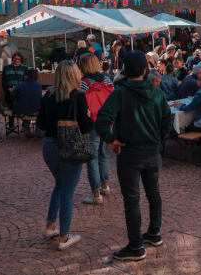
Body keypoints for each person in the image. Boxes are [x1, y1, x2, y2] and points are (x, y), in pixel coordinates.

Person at [95, 50, 172, 261]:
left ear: (125, 70)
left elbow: (101, 120)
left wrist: (111, 140)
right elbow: (167, 122)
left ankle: (136, 245)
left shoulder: (121, 92)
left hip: (130, 153)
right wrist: (157, 139)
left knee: (133, 199)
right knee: (153, 193)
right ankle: (154, 233)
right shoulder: (157, 92)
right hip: (151, 151)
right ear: (146, 70)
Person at [38, 60, 93, 250]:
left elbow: (41, 124)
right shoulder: (78, 96)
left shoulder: (48, 95)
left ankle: (51, 225)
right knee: (67, 191)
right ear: (75, 75)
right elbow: (86, 127)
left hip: (50, 145)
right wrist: (87, 114)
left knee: (60, 185)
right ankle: (63, 237)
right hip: (70, 146)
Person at [78, 54, 114, 205]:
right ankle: (105, 185)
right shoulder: (107, 79)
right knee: (103, 154)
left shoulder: (84, 83)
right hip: (107, 122)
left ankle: (96, 194)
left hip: (92, 122)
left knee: (92, 157)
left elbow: (81, 104)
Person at [10, 68, 43, 138]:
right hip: (37, 111)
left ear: (27, 76)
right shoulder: (39, 85)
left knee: (24, 106)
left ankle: (27, 129)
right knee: (37, 107)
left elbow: (12, 96)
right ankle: (38, 129)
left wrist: (14, 91)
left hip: (22, 111)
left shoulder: (20, 84)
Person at [2, 52, 27, 123]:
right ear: (12, 59)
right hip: (9, 91)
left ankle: (24, 125)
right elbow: (3, 80)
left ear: (21, 60)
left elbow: (26, 80)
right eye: (15, 58)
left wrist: (20, 88)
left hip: (21, 92)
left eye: (18, 59)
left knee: (22, 108)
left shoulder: (24, 68)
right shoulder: (6, 68)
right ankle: (11, 122)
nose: (16, 60)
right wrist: (8, 88)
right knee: (11, 108)